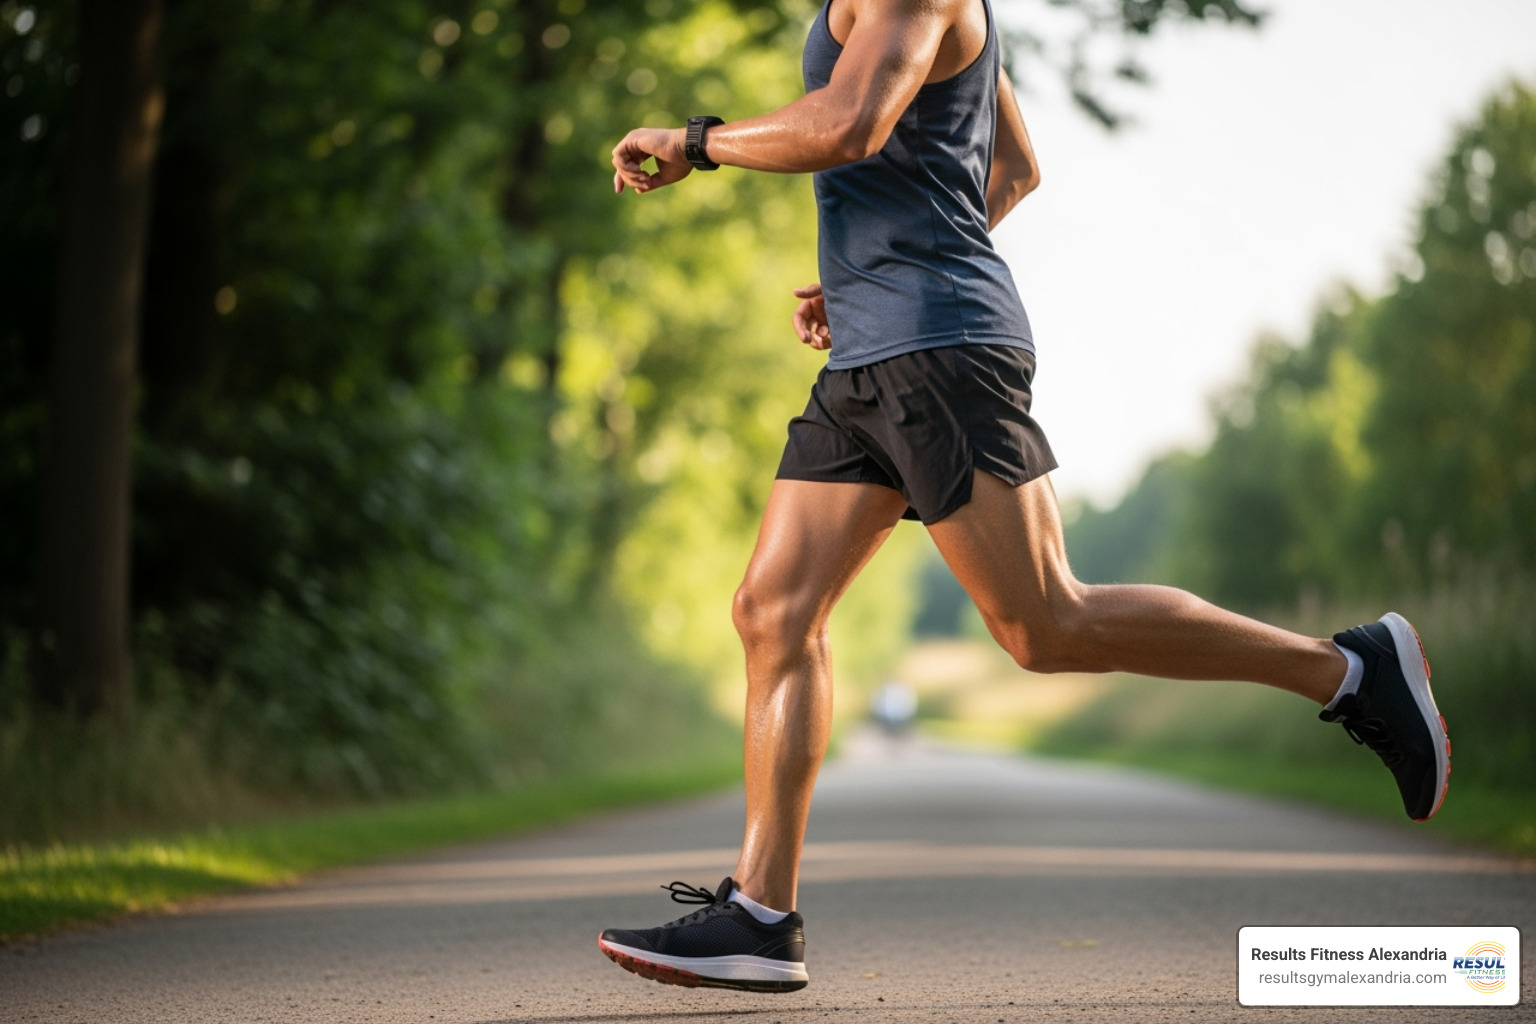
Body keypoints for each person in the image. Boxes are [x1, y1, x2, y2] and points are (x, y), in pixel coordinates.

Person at [597, 0, 1450, 994]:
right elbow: (1015, 166)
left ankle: (1348, 669)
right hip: (871, 354)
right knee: (772, 611)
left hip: (939, 348)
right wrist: (869, 274)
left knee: (1046, 624)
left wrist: (696, 142)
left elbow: (850, 122)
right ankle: (760, 914)